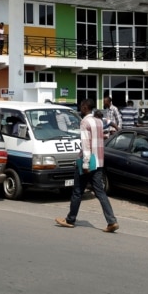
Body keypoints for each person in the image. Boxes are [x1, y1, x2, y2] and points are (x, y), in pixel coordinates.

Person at [55, 99, 119, 233]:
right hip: (99, 161)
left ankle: (70, 219)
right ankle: (111, 221)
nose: (80, 108)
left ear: (85, 107)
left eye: (81, 106)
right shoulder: (98, 121)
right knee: (100, 192)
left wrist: (85, 163)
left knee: (77, 191)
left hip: (88, 162)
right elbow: (107, 129)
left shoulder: (84, 122)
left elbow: (85, 144)